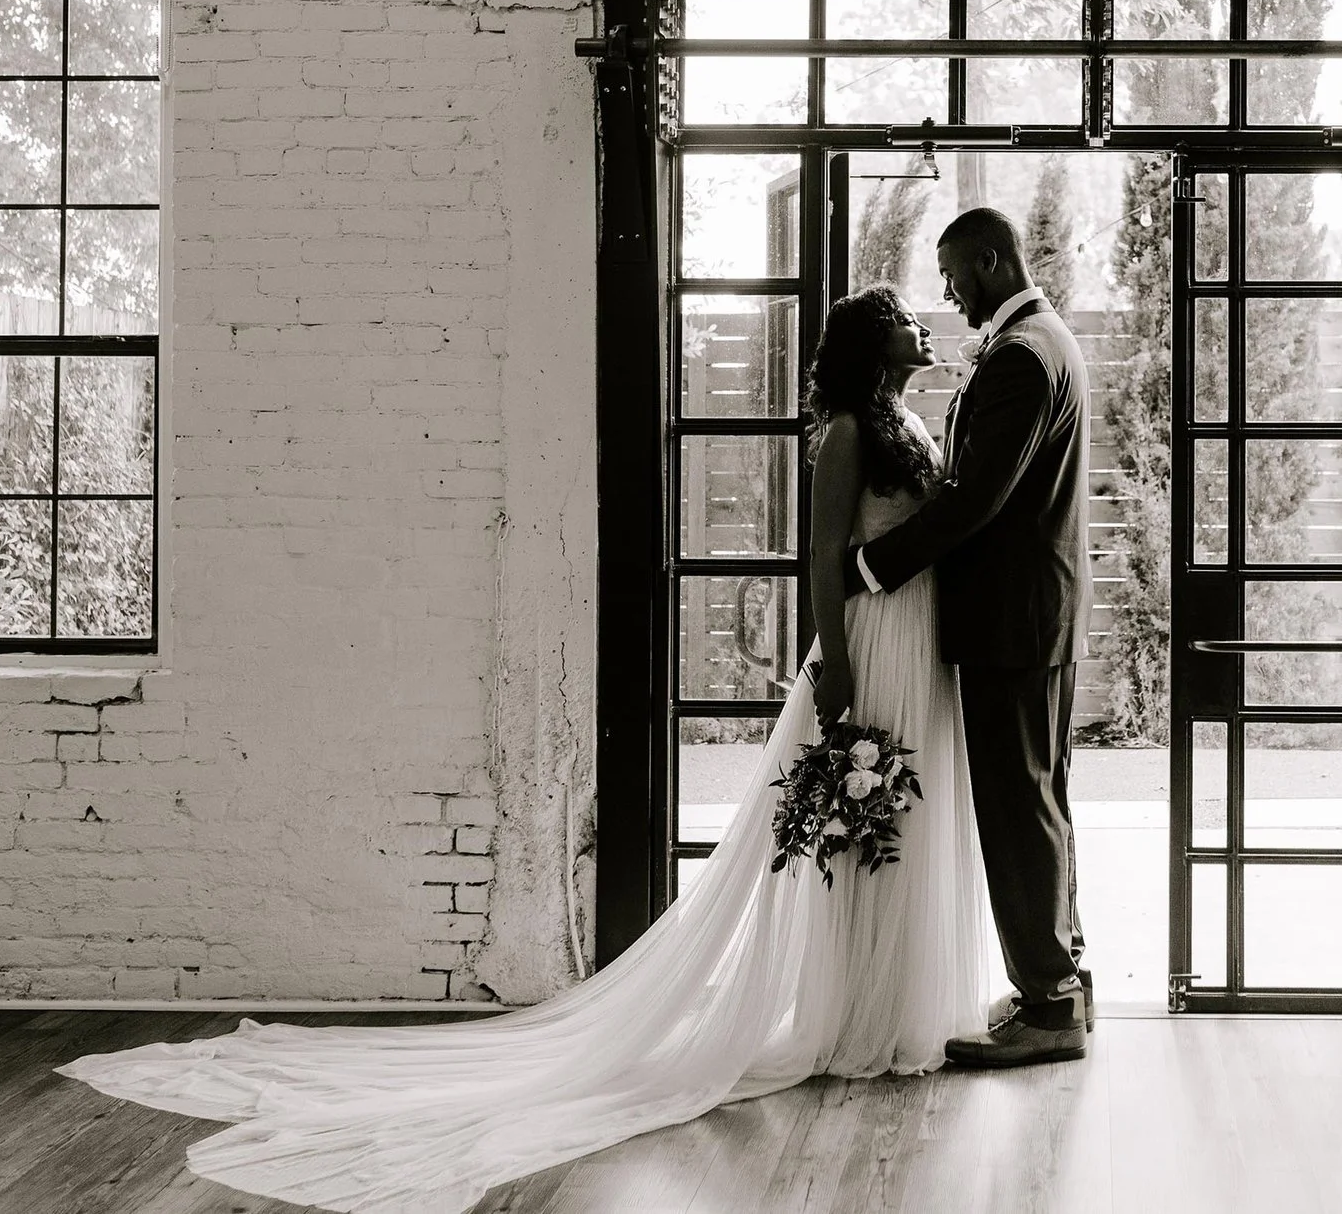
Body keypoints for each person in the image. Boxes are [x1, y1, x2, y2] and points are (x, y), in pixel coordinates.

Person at [58, 285, 992, 1214]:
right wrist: (833, 669)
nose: (923, 322)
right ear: (877, 342)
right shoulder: (844, 436)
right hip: (868, 646)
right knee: (850, 840)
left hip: (916, 642)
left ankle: (892, 1010)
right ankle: (857, 1022)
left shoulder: (907, 421)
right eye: (906, 316)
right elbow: (821, 556)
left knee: (894, 831)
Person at [847, 206, 1094, 1068]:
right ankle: (1061, 978)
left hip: (1011, 621)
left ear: (990, 260)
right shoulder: (1041, 340)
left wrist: (872, 568)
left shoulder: (1024, 357)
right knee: (1041, 798)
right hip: (1033, 617)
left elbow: (978, 498)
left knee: (1017, 807)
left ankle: (1049, 1008)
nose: (947, 293)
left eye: (954, 273)